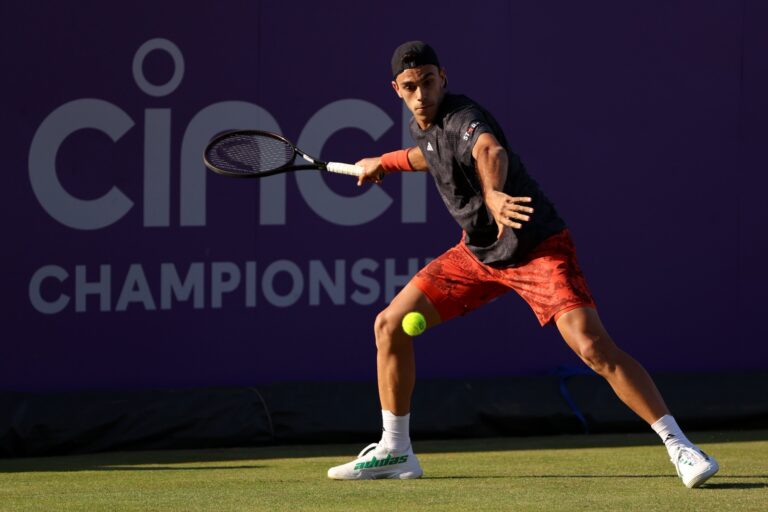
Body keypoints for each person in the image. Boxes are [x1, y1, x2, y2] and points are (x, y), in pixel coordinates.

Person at [326, 41, 718, 488]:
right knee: (389, 325)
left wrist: (493, 193)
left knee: (592, 347)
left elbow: (488, 151)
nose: (421, 94)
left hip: (536, 249)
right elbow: (428, 156)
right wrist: (383, 163)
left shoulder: (461, 116)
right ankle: (396, 451)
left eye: (429, 82)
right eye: (411, 86)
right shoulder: (428, 128)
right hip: (477, 255)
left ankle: (681, 447)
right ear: (396, 89)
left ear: (443, 78)